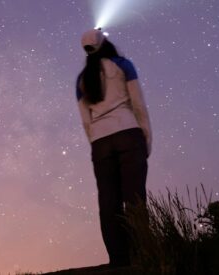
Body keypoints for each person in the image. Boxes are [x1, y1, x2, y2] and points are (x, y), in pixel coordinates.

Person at [75, 28, 152, 267]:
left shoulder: (81, 79)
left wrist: (97, 144)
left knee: (108, 203)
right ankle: (143, 255)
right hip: (128, 134)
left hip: (100, 142)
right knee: (135, 199)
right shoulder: (123, 65)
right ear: (105, 43)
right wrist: (146, 138)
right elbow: (138, 104)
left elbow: (85, 121)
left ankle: (119, 261)